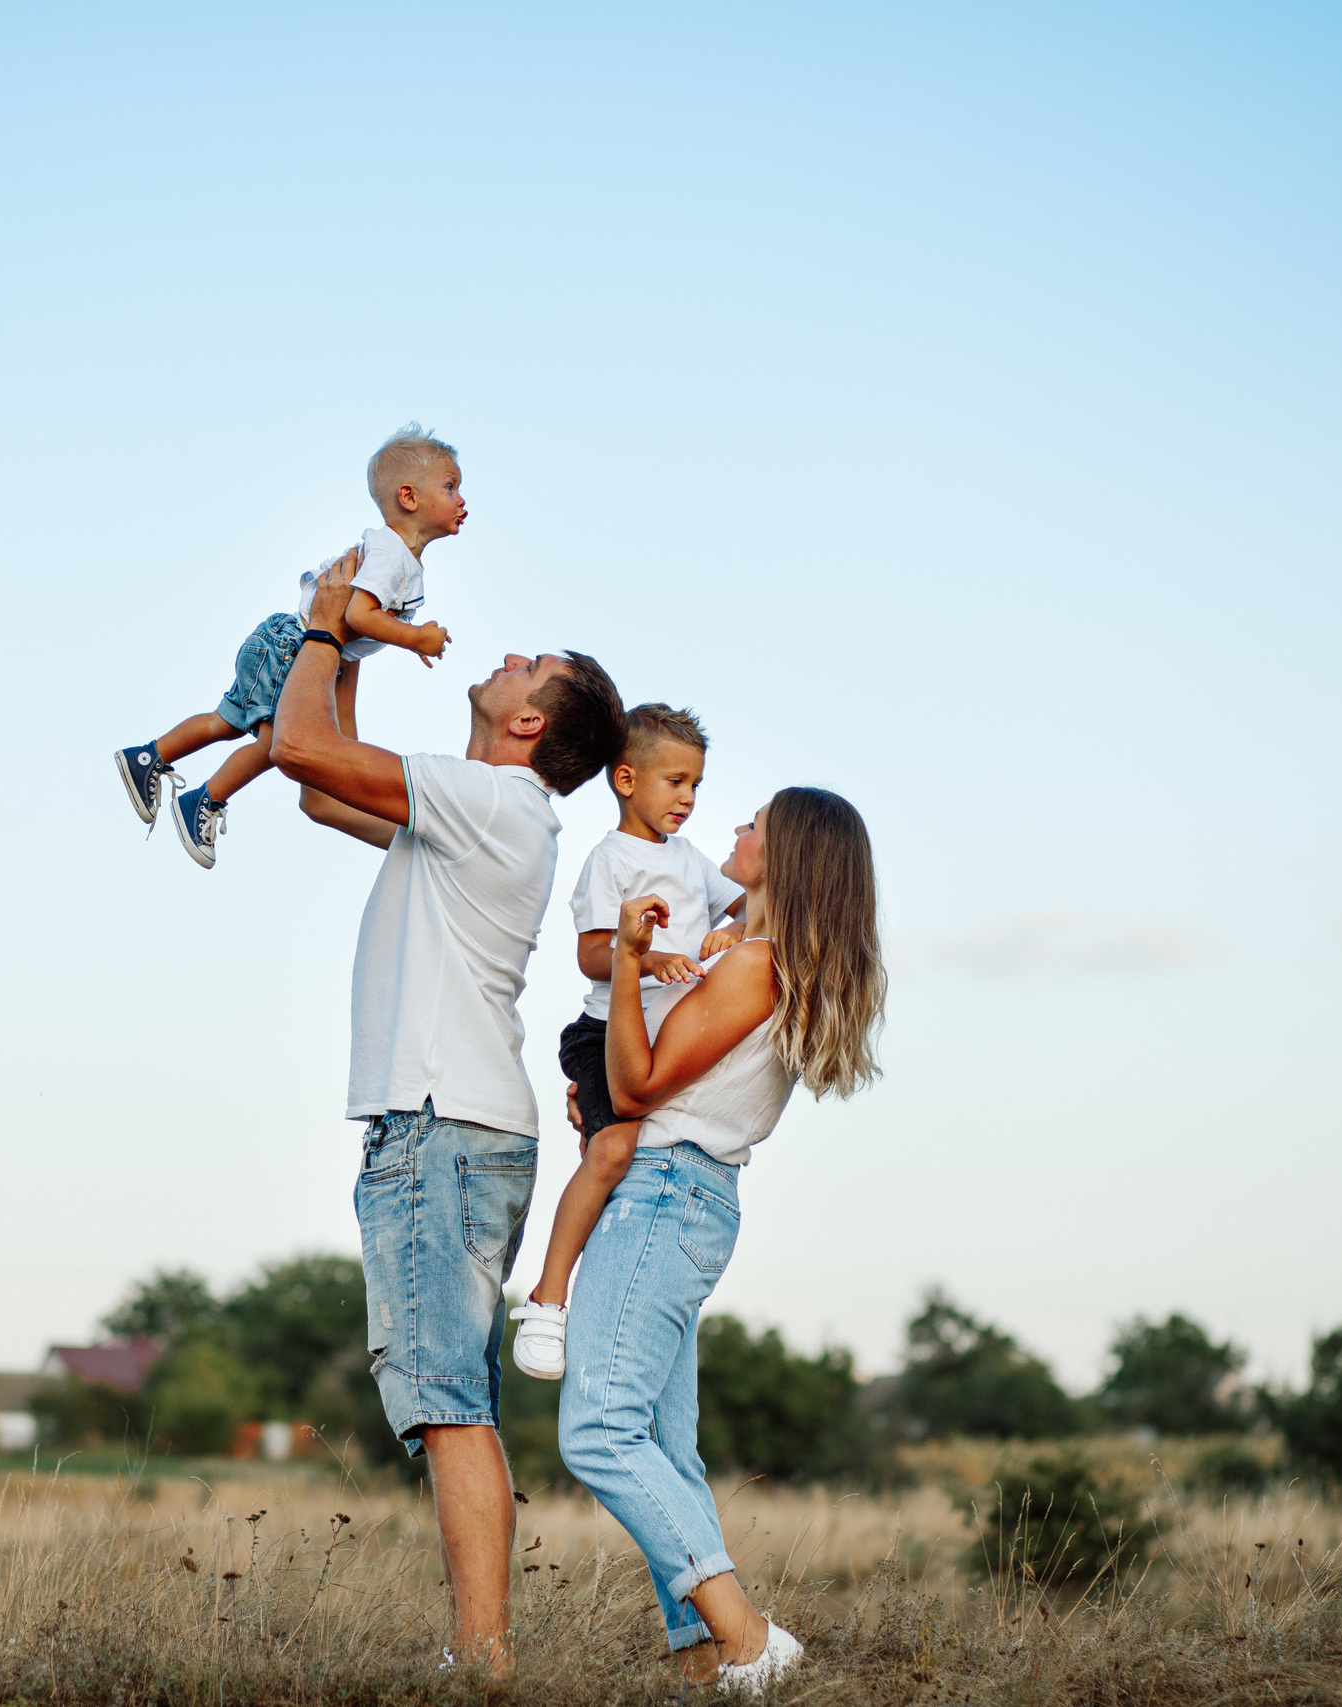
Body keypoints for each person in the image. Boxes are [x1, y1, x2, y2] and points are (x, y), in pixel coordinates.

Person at [271, 551, 623, 1673]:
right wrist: (358, 656)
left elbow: (292, 747)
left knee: (447, 1401)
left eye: (532, 666)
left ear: (530, 725)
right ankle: (481, 1651)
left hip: (441, 1125)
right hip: (452, 1126)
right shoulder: (472, 811)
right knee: (448, 1395)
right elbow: (324, 788)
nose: (507, 656)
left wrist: (327, 627)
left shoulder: (494, 801)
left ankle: (482, 1658)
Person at [555, 787, 886, 1696]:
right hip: (685, 1195)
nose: (737, 826)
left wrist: (625, 962)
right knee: (663, 1440)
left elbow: (637, 1082)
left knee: (597, 1431)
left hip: (665, 1195)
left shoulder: (752, 966)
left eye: (757, 821)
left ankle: (746, 1638)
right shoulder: (750, 956)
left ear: (792, 855)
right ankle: (702, 1662)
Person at [509, 703, 745, 1380]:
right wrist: (646, 955)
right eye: (674, 781)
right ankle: (548, 1298)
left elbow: (751, 905)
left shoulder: (693, 859)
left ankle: (611, 1299)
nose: (688, 798)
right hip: (605, 1031)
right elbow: (588, 955)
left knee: (630, 1160)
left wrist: (734, 928)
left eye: (695, 784)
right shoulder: (609, 860)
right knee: (613, 1146)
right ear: (625, 778)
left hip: (660, 1044)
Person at [110, 424, 462, 868]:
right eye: (450, 487)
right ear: (409, 497)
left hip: (287, 642)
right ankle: (203, 799)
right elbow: (355, 615)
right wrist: (415, 639)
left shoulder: (395, 556)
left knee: (226, 722)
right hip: (295, 645)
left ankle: (148, 757)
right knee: (274, 743)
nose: (461, 499)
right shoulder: (393, 556)